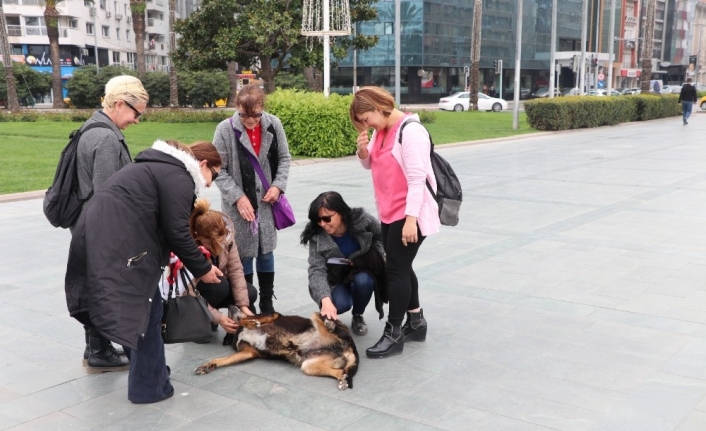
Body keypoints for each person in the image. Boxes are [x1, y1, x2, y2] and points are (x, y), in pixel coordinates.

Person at [65, 140, 224, 404]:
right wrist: (204, 268)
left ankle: (152, 372)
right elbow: (177, 233)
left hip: (99, 234)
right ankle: (149, 387)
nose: (209, 183)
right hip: (118, 241)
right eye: (214, 175)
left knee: (138, 311)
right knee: (147, 312)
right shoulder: (179, 176)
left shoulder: (159, 167)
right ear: (203, 164)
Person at [349, 86, 440, 359]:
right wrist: (364, 153)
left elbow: (417, 179)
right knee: (401, 265)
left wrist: (411, 220)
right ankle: (416, 322)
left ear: (379, 106)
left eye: (366, 118)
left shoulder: (410, 131)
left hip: (409, 213)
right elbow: (374, 165)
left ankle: (394, 332)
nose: (365, 125)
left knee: (395, 270)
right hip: (389, 212)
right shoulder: (381, 131)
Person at [74, 75, 149, 373]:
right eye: (136, 113)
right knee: (104, 288)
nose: (137, 120)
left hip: (89, 225)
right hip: (101, 229)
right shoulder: (105, 138)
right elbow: (108, 195)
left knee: (97, 284)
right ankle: (99, 351)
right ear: (119, 104)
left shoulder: (94, 127)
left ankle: (98, 345)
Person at [212, 83, 292, 314]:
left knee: (266, 251)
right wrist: (238, 197)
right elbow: (219, 169)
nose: (250, 120)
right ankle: (246, 305)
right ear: (237, 107)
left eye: (256, 114)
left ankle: (267, 301)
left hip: (267, 202)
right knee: (241, 255)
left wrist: (277, 186)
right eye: (245, 115)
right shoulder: (225, 129)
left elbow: (285, 159)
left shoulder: (273, 124)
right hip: (239, 206)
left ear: (262, 107)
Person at [300, 191, 387, 336]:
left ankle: (358, 315)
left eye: (327, 219)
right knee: (339, 304)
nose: (323, 224)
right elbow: (316, 269)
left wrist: (375, 254)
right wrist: (325, 299)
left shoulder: (362, 220)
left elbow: (381, 236)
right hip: (336, 277)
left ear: (340, 212)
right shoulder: (316, 236)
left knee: (364, 281)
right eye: (318, 220)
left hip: (361, 270)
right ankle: (332, 305)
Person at [188, 198, 257, 339]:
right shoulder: (188, 249)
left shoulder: (228, 241)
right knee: (219, 285)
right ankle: (200, 322)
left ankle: (224, 319)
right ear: (198, 237)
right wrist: (219, 317)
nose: (216, 246)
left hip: (216, 289)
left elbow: (236, 271)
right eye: (209, 242)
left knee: (250, 292)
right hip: (192, 297)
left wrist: (243, 306)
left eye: (220, 241)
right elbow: (187, 293)